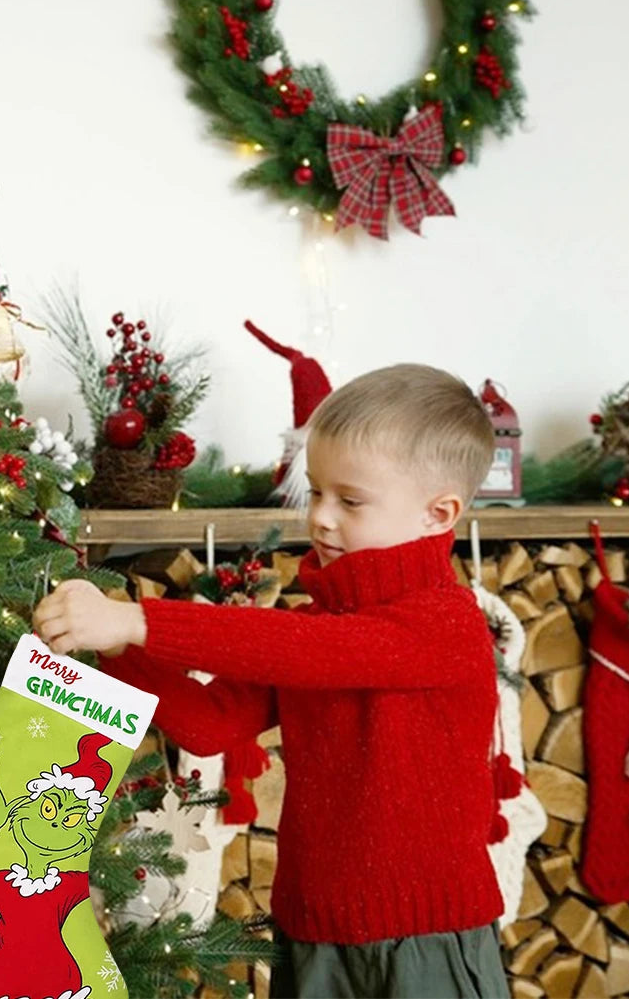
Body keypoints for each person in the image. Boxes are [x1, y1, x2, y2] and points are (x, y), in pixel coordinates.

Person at [32, 363, 510, 999]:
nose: (321, 519)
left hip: (424, 942)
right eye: (315, 493)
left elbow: (317, 651)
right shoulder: (317, 626)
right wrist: (120, 645)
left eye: (350, 500)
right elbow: (211, 722)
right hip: (313, 932)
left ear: (438, 513)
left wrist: (138, 618)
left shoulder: (443, 624)